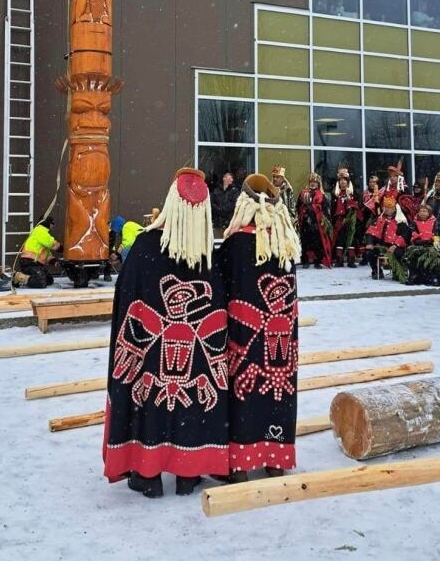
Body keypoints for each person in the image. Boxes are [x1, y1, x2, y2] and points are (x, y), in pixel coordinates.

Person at [103, 168, 227, 498]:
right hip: (186, 360)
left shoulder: (145, 248)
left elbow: (125, 302)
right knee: (191, 412)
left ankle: (148, 472)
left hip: (151, 358)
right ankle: (188, 472)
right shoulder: (208, 257)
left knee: (150, 411)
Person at [214, 173, 301, 481]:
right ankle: (275, 458)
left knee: (244, 394)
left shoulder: (235, 243)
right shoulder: (285, 245)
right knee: (277, 396)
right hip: (282, 339)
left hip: (244, 339)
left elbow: (218, 288)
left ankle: (239, 463)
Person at [365, 192, 409, 281]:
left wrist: (395, 245)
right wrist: (369, 243)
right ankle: (377, 270)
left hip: (396, 246)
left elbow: (405, 235)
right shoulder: (379, 218)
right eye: (385, 207)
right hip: (382, 245)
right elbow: (371, 231)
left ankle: (398, 270)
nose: (387, 209)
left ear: (395, 208)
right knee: (370, 252)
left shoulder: (400, 220)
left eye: (390, 208)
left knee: (398, 253)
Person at [296, 172, 331, 268]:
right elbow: (298, 206)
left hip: (317, 223)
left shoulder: (322, 195)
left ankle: (317, 261)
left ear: (318, 184)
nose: (313, 183)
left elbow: (325, 210)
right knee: (305, 241)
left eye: (315, 182)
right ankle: (305, 261)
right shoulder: (303, 193)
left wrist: (316, 210)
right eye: (311, 181)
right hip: (306, 221)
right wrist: (304, 209)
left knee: (317, 242)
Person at [18, 215, 62, 287]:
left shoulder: (43, 234)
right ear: (47, 223)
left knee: (49, 280)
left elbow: (45, 253)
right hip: (29, 262)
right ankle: (18, 277)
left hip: (36, 264)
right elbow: (52, 244)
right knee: (40, 281)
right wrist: (63, 249)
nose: (52, 226)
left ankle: (30, 277)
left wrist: (54, 261)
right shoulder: (40, 231)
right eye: (52, 224)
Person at [406, 204, 440, 286]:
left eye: (424, 211)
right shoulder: (414, 222)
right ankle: (413, 276)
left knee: (435, 256)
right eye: (421, 211)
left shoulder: (435, 222)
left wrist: (433, 240)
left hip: (432, 244)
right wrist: (418, 240)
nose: (422, 213)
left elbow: (437, 233)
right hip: (418, 244)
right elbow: (413, 233)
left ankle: (436, 277)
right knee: (413, 255)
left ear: (429, 213)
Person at [331, 174, 361, 267]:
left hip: (350, 220)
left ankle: (351, 260)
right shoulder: (336, 195)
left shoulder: (353, 194)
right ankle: (339, 260)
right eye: (341, 181)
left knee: (351, 239)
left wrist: (349, 199)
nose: (342, 182)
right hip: (339, 220)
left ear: (348, 182)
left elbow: (356, 207)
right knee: (340, 239)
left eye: (344, 180)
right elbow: (333, 208)